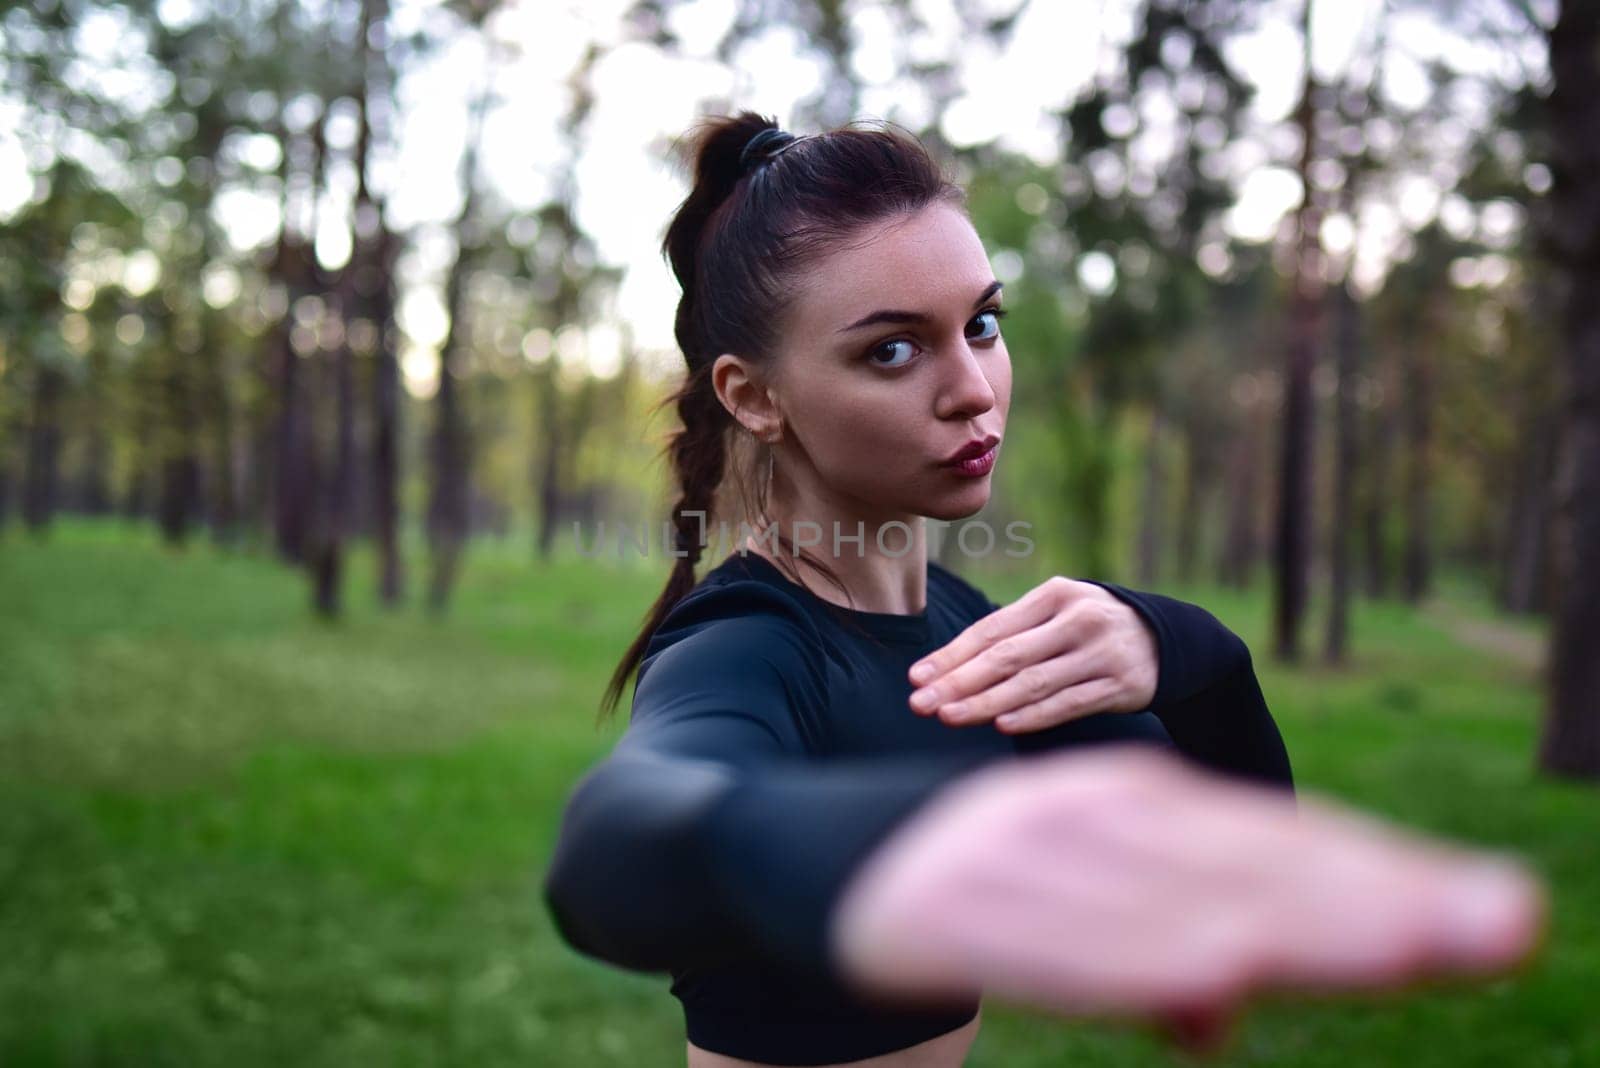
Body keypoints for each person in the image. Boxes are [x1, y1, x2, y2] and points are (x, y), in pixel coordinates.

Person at [541, 112, 1544, 1068]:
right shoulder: (748, 644)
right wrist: (887, 844)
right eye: (891, 349)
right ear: (753, 396)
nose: (973, 387)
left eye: (981, 323)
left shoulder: (975, 636)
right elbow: (618, 843)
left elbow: (1233, 850)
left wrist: (1183, 650)